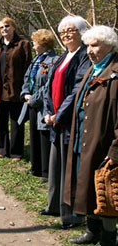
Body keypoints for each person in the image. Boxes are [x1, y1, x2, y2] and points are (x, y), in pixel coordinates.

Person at [63, 25, 118, 245]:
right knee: (87, 187)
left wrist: (115, 151)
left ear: (109, 46)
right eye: (87, 46)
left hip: (104, 144)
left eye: (94, 45)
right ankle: (92, 231)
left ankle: (109, 236)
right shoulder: (93, 70)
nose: (89, 50)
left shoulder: (115, 74)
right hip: (84, 140)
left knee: (105, 190)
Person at [40, 15, 91, 230]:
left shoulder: (83, 57)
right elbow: (47, 88)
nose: (66, 35)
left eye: (71, 30)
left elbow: (76, 90)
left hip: (69, 121)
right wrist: (47, 112)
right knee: (55, 166)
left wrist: (58, 114)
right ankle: (53, 205)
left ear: (81, 33)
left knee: (69, 170)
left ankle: (69, 215)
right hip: (54, 120)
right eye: (62, 32)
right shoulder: (62, 57)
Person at [0, 17, 32, 161]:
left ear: (13, 27)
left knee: (16, 122)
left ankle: (16, 152)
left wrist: (27, 89)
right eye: (1, 27)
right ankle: (2, 149)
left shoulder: (23, 44)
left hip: (16, 90)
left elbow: (28, 68)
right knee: (1, 121)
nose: (4, 29)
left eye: (7, 26)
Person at [20, 29, 59, 182]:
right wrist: (25, 94)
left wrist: (34, 99)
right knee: (34, 135)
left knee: (44, 136)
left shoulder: (54, 60)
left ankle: (46, 171)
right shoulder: (36, 59)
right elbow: (27, 78)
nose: (33, 45)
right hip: (31, 102)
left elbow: (48, 85)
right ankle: (35, 166)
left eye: (35, 43)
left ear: (43, 44)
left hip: (43, 105)